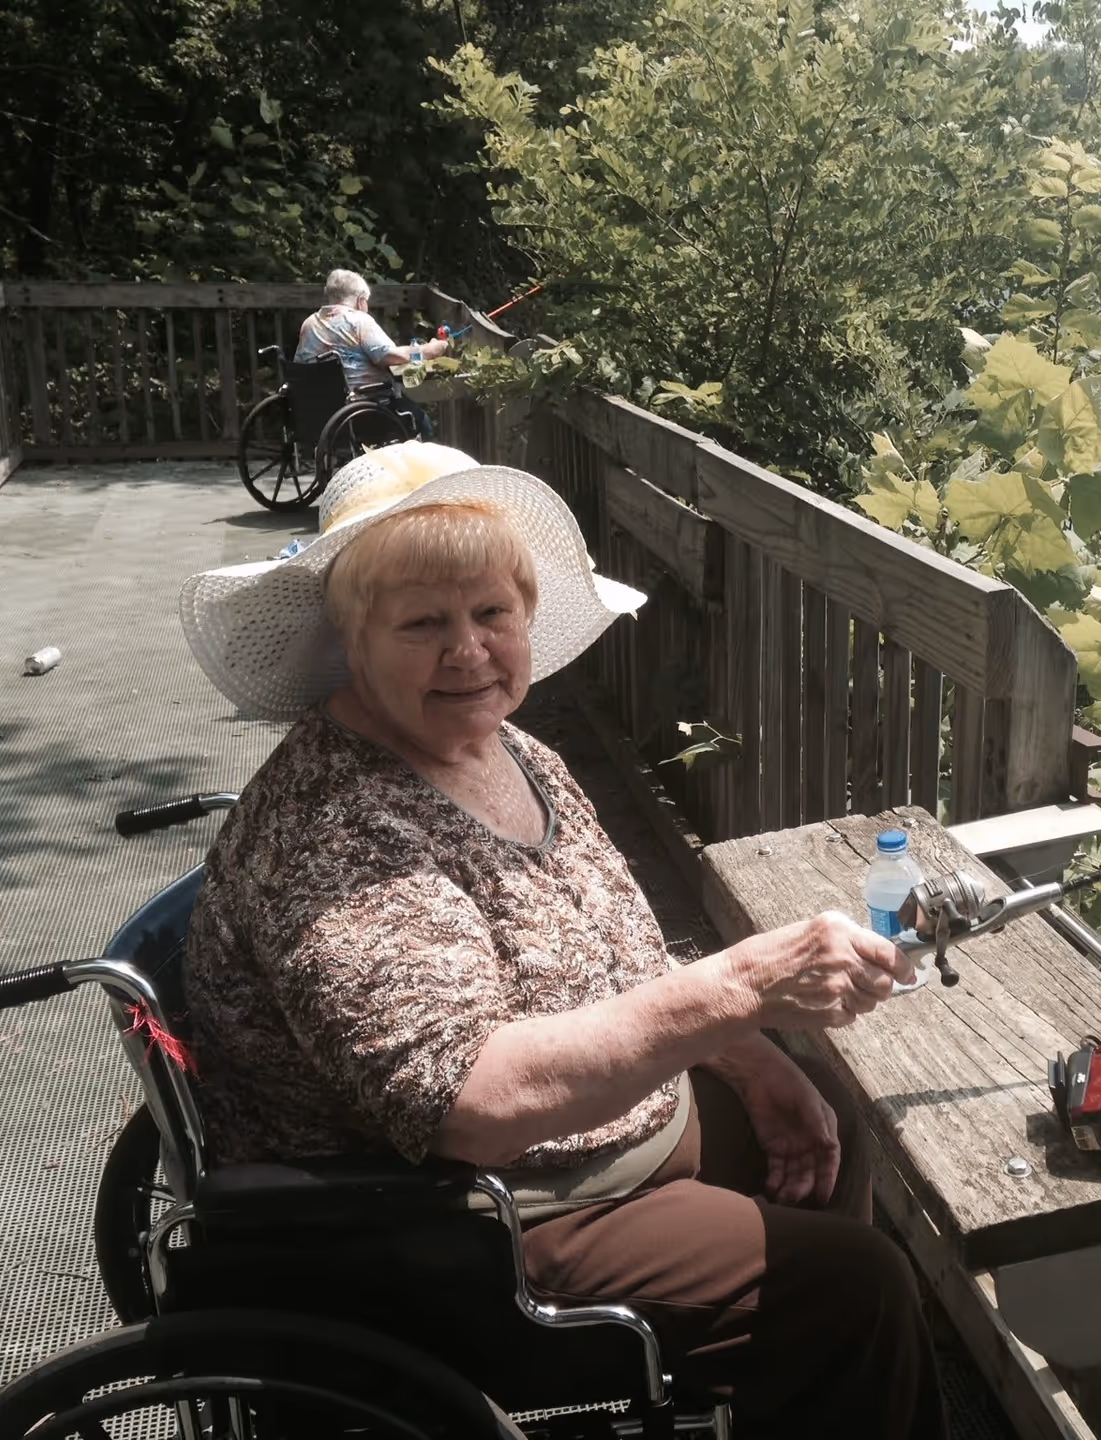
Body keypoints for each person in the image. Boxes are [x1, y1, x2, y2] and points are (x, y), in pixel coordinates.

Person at [177, 443, 949, 1440]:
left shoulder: (502, 744)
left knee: (827, 1128)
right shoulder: (335, 829)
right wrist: (742, 987)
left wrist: (751, 1058)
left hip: (593, 1144)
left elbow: (607, 944)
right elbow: (473, 1105)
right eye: (423, 623)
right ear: (352, 639)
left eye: (491, 613)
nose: (469, 651)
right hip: (467, 1221)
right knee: (857, 1291)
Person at [295, 268, 446, 439]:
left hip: (318, 413)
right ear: (361, 301)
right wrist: (428, 350)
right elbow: (390, 356)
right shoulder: (359, 321)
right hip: (363, 411)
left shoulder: (309, 324)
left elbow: (299, 364)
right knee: (423, 423)